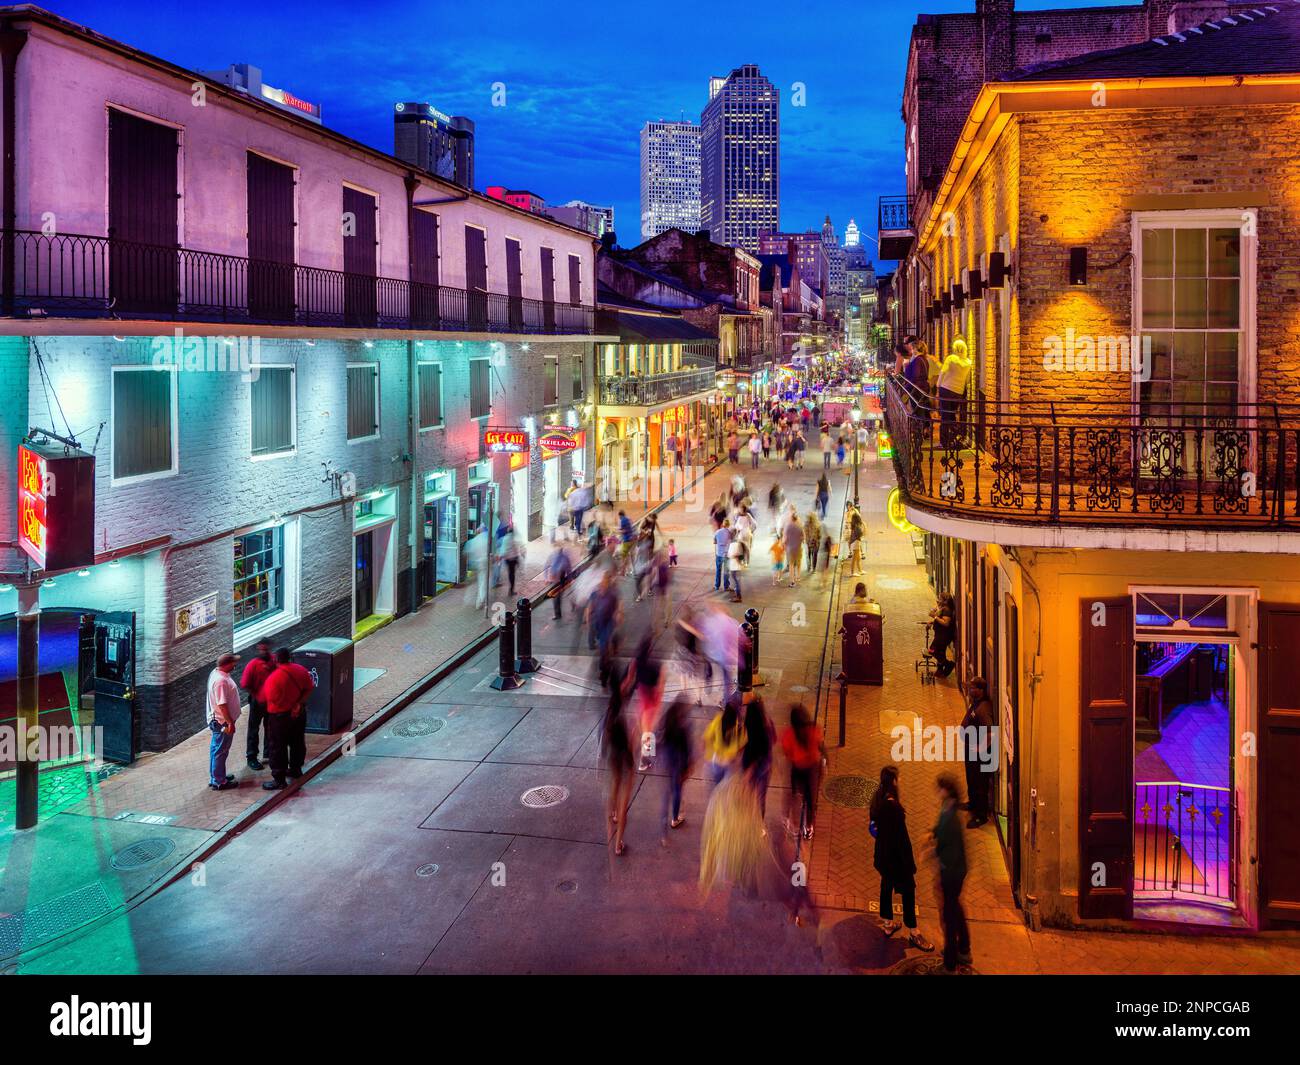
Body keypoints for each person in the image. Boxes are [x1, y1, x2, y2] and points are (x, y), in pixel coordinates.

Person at [871, 765, 934, 951]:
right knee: (908, 891)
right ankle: (914, 932)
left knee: (886, 886)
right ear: (893, 782)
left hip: (883, 855)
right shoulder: (894, 808)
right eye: (898, 779)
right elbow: (901, 840)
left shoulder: (878, 800)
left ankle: (888, 923)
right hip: (896, 860)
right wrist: (909, 864)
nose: (900, 782)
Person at [933, 773, 972, 972]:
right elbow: (941, 831)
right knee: (955, 909)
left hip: (951, 875)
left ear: (946, 791)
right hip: (956, 872)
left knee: (948, 916)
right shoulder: (949, 810)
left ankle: (950, 963)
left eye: (939, 788)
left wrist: (939, 865)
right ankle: (964, 948)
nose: (937, 792)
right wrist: (933, 833)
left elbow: (949, 852)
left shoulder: (951, 817)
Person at [261, 648, 315, 791]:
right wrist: (298, 704)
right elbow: (309, 688)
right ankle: (296, 769)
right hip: (298, 714)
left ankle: (279, 779)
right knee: (297, 741)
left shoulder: (274, 678)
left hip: (279, 717)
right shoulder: (301, 670)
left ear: (276, 660)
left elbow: (270, 698)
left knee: (277, 747)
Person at [780, 704, 825, 840]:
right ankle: (809, 827)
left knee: (795, 796)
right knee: (810, 800)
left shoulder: (789, 735)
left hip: (798, 769)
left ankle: (794, 826)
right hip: (812, 770)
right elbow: (820, 749)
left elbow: (787, 753)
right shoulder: (814, 730)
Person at [602, 685, 635, 857]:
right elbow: (629, 745)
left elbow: (605, 744)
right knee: (624, 806)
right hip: (625, 763)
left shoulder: (608, 721)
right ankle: (618, 844)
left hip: (613, 760)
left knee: (614, 788)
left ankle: (612, 814)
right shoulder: (622, 722)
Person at [962, 677, 995, 828]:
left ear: (981, 690)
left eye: (972, 688)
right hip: (972, 751)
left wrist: (980, 749)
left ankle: (981, 816)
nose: (969, 690)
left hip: (980, 756)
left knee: (979, 783)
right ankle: (972, 803)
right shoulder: (976, 702)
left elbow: (990, 733)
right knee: (971, 780)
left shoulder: (984, 709)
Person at [206, 652, 241, 791]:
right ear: (226, 665)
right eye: (233, 662)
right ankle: (219, 782)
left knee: (216, 749)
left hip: (219, 720)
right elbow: (222, 704)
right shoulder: (220, 681)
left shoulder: (216, 673)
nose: (235, 664)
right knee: (221, 750)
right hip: (222, 722)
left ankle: (216, 776)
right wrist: (230, 722)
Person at [659, 696, 693, 839]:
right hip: (678, 760)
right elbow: (686, 749)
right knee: (677, 789)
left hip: (667, 757)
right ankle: (675, 818)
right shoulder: (683, 726)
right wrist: (687, 767)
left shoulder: (667, 718)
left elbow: (658, 735)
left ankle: (663, 825)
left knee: (667, 791)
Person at [239, 641, 274, 771]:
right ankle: (251, 757)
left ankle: (268, 753)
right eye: (261, 650)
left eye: (265, 649)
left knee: (270, 728)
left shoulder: (273, 661)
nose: (263, 652)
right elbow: (244, 684)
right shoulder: (253, 665)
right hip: (257, 703)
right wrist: (256, 695)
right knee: (254, 730)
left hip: (272, 702)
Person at [741, 698, 776, 820]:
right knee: (761, 797)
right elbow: (773, 740)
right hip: (764, 765)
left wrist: (749, 769)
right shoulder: (767, 723)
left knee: (750, 795)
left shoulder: (747, 725)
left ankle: (749, 820)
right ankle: (759, 824)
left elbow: (742, 745)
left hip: (749, 763)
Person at [702, 695, 747, 783]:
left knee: (717, 782)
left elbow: (707, 735)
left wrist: (706, 750)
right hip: (729, 761)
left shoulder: (718, 719)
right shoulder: (739, 727)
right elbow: (742, 744)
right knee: (726, 785)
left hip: (717, 759)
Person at [937, 338, 972, 448]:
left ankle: (944, 442)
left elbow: (942, 373)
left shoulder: (951, 358)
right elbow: (968, 380)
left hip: (946, 389)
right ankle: (953, 439)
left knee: (944, 415)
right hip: (958, 392)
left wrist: (938, 386)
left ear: (955, 348)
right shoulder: (968, 362)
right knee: (952, 414)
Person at [929, 593, 957, 678]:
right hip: (940, 635)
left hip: (943, 636)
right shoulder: (943, 609)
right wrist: (932, 622)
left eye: (940, 599)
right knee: (941, 652)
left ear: (945, 601)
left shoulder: (947, 610)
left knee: (932, 650)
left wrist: (934, 617)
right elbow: (940, 619)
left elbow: (946, 623)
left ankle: (949, 664)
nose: (938, 600)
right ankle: (940, 671)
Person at [544, 540, 574, 620]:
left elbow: (568, 569)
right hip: (554, 580)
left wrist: (570, 579)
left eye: (559, 549)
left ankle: (558, 614)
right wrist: (546, 578)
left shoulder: (564, 557)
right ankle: (558, 614)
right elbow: (546, 566)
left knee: (557, 597)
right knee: (556, 597)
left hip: (561, 580)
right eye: (557, 548)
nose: (558, 550)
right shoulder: (553, 556)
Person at [466, 524, 489, 609]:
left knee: (477, 581)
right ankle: (480, 601)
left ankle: (473, 599)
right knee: (482, 581)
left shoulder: (473, 541)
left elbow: (467, 552)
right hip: (484, 562)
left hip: (475, 564)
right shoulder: (486, 539)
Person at [782, 512, 804, 587]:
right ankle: (798, 576)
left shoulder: (788, 526)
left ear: (791, 518)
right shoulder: (800, 526)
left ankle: (792, 581)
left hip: (790, 549)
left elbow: (784, 539)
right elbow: (803, 538)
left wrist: (784, 545)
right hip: (798, 548)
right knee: (798, 563)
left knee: (791, 565)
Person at [712, 516, 732, 593]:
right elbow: (730, 543)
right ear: (728, 525)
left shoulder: (717, 532)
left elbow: (714, 541)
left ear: (723, 525)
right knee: (726, 571)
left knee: (718, 570)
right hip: (726, 554)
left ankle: (717, 586)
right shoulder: (729, 533)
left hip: (718, 554)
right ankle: (726, 586)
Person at [726, 535, 746, 603]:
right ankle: (737, 595)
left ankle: (738, 596)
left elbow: (729, 555)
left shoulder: (734, 545)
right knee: (736, 581)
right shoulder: (739, 544)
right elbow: (740, 556)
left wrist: (733, 556)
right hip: (736, 566)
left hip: (734, 566)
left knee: (736, 582)